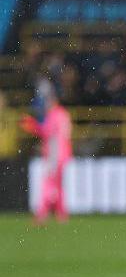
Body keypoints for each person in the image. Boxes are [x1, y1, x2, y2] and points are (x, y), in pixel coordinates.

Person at [20, 80, 72, 225]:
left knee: (47, 184)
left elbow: (46, 132)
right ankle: (62, 214)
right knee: (59, 185)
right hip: (64, 153)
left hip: (55, 153)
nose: (46, 105)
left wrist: (32, 125)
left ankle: (42, 214)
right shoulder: (64, 114)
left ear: (53, 101)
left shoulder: (54, 115)